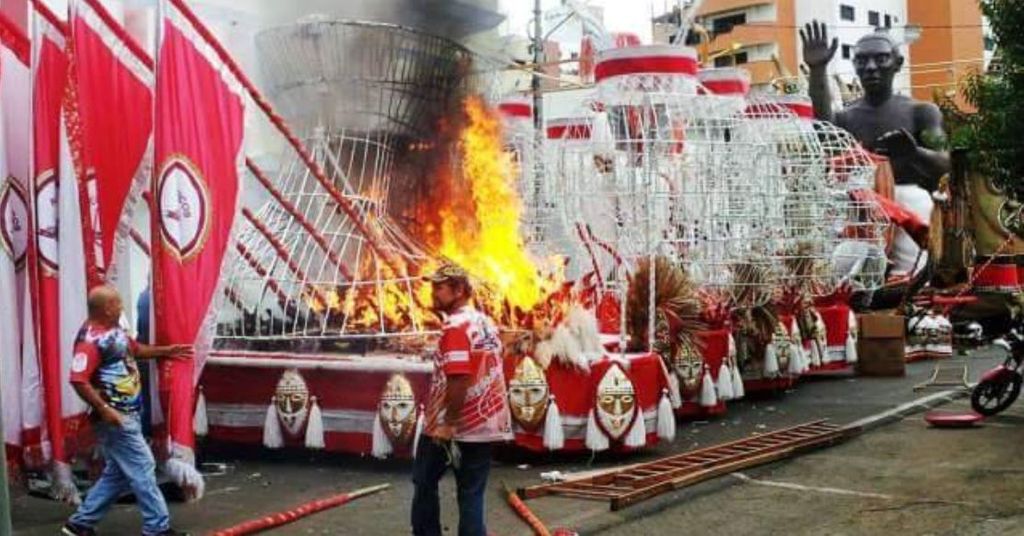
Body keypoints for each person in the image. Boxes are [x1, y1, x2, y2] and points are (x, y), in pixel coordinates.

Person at [802, 21, 951, 278]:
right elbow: (825, 133)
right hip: (860, 209)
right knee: (849, 276)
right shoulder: (846, 119)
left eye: (881, 59)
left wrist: (915, 153)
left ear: (898, 63)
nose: (870, 67)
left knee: (912, 275)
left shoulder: (921, 112)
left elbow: (947, 165)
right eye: (861, 61)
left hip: (909, 209)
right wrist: (818, 70)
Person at [62, 286, 192, 536]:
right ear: (106, 308)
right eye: (117, 303)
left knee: (118, 474)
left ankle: (79, 525)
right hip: (116, 419)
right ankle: (157, 528)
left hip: (127, 415)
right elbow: (78, 378)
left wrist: (167, 351)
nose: (121, 307)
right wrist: (105, 409)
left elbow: (136, 349)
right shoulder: (89, 340)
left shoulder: (114, 331)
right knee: (143, 466)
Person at [411, 263, 512, 536]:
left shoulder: (456, 327)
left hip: (450, 425)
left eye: (440, 288)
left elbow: (458, 378)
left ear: (459, 290)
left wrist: (448, 424)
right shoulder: (486, 323)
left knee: (424, 481)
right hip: (485, 424)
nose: (433, 293)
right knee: (471, 493)